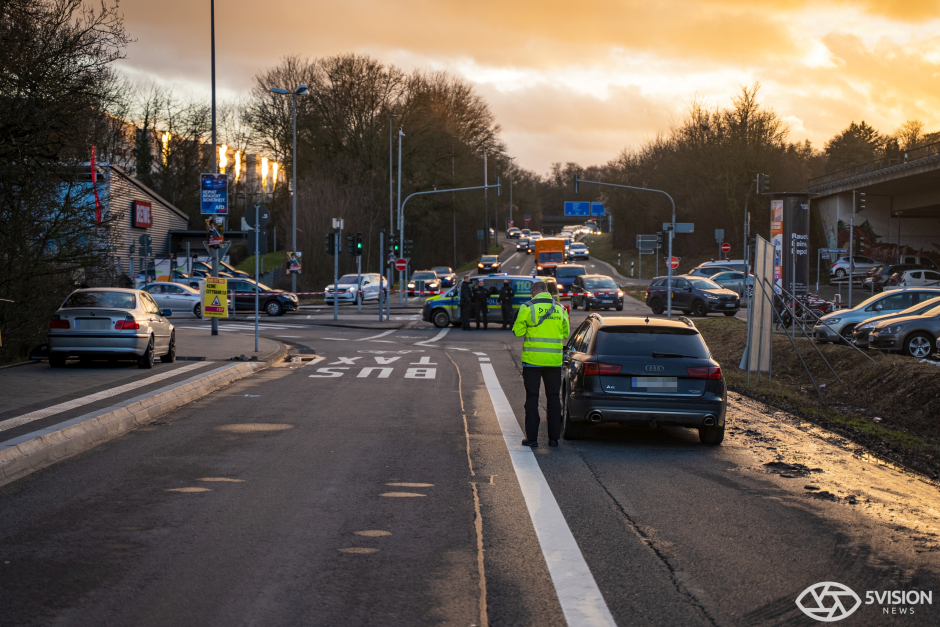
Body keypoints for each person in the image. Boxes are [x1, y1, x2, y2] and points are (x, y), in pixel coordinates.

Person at [512, 280, 569, 448]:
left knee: (532, 399)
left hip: (532, 362)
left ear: (534, 291)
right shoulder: (560, 308)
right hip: (554, 362)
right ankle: (553, 439)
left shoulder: (527, 307)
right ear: (547, 291)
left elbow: (518, 332)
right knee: (553, 398)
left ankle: (532, 439)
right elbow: (565, 333)